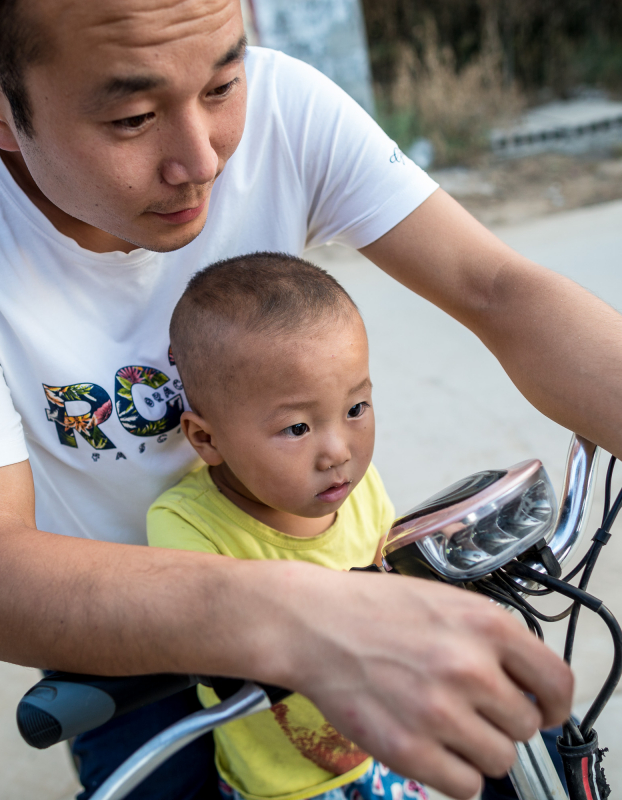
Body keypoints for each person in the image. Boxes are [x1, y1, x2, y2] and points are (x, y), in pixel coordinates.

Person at [0, 1, 622, 798]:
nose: (200, 156)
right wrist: (305, 617)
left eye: (223, 80)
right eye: (132, 113)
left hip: (343, 566)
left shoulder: (288, 107)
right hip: (136, 648)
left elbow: (497, 288)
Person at [147, 253, 417, 800]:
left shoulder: (363, 489)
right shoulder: (184, 525)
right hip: (282, 788)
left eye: (357, 407)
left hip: (388, 751)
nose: (338, 452)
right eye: (297, 427)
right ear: (207, 439)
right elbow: (211, 632)